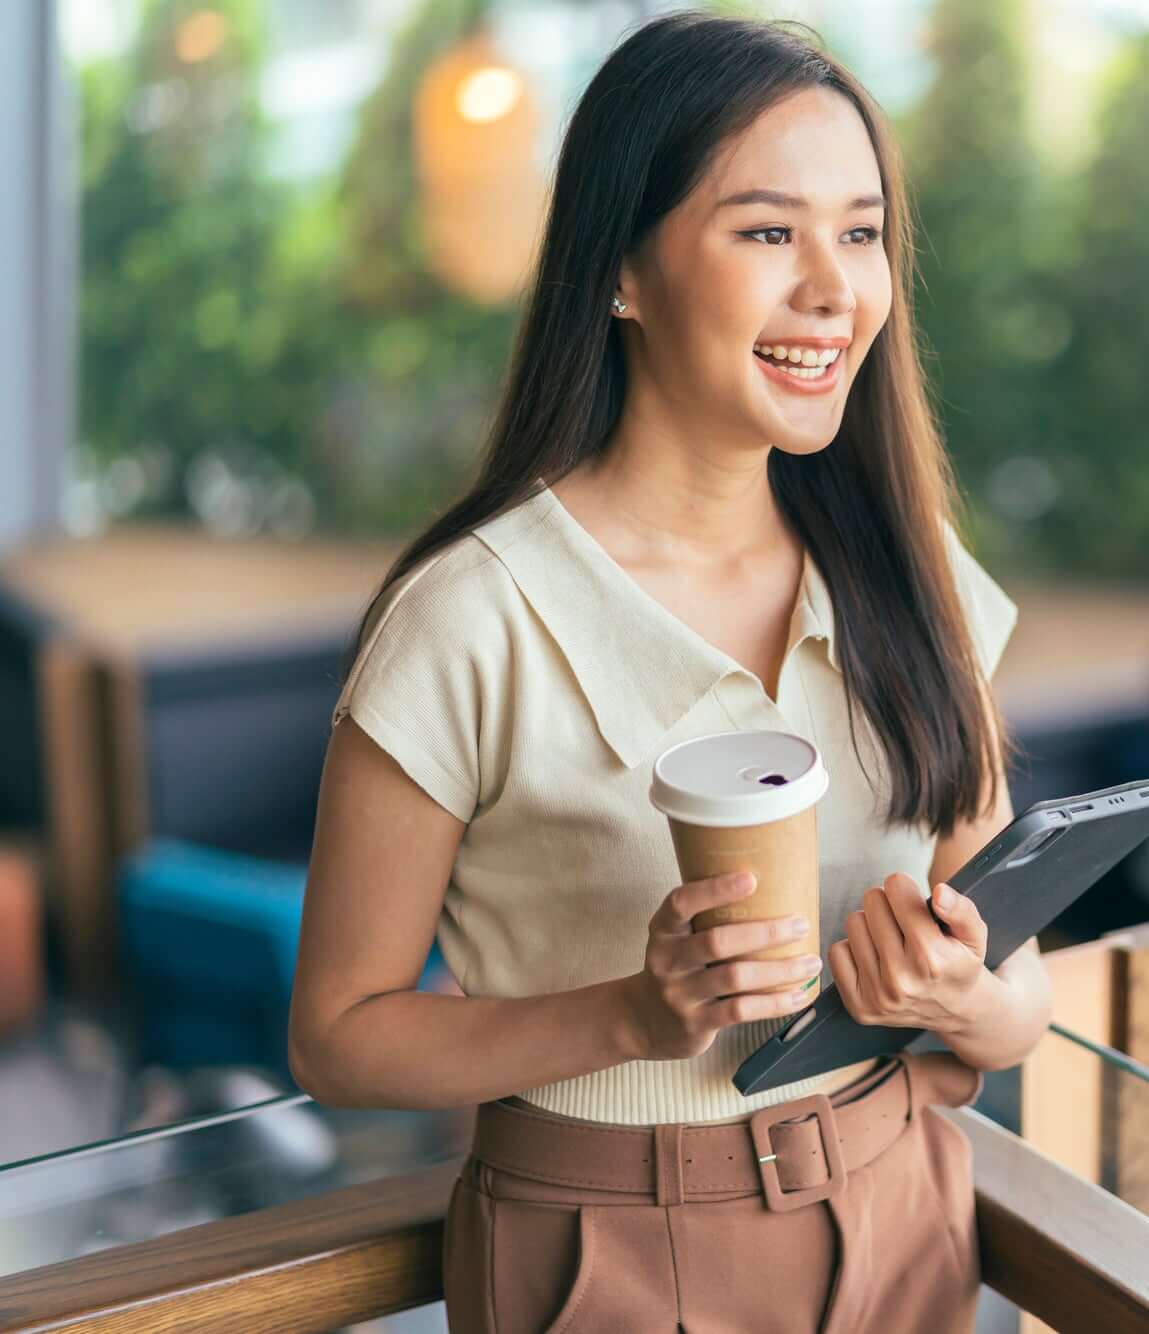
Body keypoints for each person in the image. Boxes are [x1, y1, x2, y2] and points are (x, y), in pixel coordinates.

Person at [286, 16, 1051, 1332]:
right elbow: (339, 1034)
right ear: (622, 272)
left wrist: (964, 994)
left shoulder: (908, 571)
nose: (833, 290)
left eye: (860, 233)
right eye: (769, 232)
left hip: (907, 1208)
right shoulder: (471, 618)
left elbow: (1023, 995)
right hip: (604, 1253)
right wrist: (634, 1012)